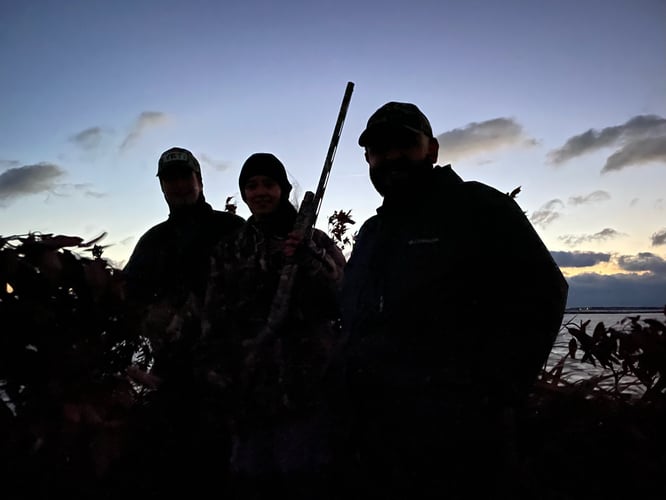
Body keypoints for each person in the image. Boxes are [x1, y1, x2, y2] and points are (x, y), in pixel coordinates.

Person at [339, 102, 569, 499]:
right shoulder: (373, 231)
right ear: (368, 159)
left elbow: (545, 292)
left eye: (404, 145)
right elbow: (355, 317)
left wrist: (496, 394)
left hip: (463, 439)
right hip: (378, 433)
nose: (392, 156)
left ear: (432, 150)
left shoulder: (480, 207)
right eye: (379, 150)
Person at [200, 152, 347, 499]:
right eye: (252, 185)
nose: (260, 192)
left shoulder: (316, 242)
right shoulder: (230, 248)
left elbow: (339, 299)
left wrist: (310, 260)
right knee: (250, 480)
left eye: (268, 183)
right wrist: (216, 374)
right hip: (248, 393)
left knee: (305, 479)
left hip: (306, 393)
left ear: (282, 188)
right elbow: (214, 318)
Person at [118, 146, 244, 496]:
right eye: (169, 179)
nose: (178, 185)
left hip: (232, 372)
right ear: (161, 187)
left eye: (184, 177)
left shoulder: (231, 227)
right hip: (172, 376)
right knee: (181, 467)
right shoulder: (152, 241)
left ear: (199, 181)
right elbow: (126, 299)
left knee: (233, 466)